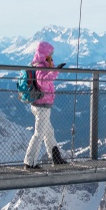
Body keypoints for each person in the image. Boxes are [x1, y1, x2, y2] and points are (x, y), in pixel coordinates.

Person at [23, 41, 68, 169]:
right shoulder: (41, 66)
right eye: (50, 54)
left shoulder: (40, 65)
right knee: (39, 133)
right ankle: (30, 162)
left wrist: (53, 70)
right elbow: (43, 82)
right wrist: (55, 72)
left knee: (49, 132)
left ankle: (56, 157)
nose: (51, 57)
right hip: (42, 105)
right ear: (44, 54)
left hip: (41, 104)